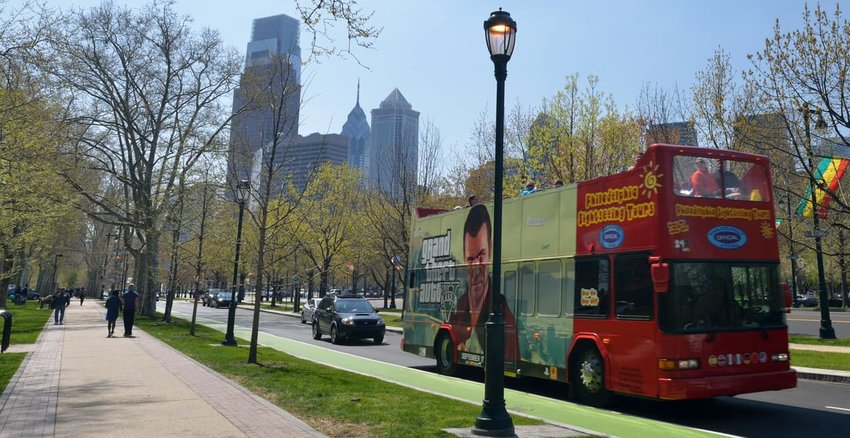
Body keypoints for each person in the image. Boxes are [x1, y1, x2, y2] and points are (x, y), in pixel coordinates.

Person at [448, 205, 516, 359]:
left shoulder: (503, 313)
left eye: (481, 256)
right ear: (464, 259)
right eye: (470, 259)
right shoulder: (457, 310)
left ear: (490, 249)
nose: (477, 265)